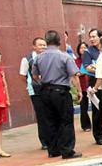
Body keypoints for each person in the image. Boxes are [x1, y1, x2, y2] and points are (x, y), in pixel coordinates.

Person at [32, 30, 83, 159]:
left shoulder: (39, 57)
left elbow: (35, 75)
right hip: (60, 91)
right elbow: (74, 75)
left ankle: (53, 150)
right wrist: (79, 91)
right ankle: (67, 150)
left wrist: (43, 82)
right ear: (59, 41)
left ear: (47, 41)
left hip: (45, 91)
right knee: (65, 120)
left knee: (50, 121)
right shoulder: (64, 56)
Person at [19, 37, 50, 149]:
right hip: (36, 92)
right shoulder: (27, 59)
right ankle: (45, 141)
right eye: (40, 45)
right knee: (41, 116)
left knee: (50, 114)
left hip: (49, 89)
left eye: (44, 45)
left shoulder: (49, 57)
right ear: (34, 46)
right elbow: (23, 75)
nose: (43, 47)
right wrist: (31, 83)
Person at [83, 28, 102, 145]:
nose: (91, 39)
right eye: (90, 37)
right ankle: (98, 136)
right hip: (94, 83)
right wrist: (100, 69)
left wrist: (97, 66)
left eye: (94, 36)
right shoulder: (88, 52)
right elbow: (87, 67)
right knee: (97, 110)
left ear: (101, 37)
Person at [74, 42, 92, 132]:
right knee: (83, 107)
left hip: (91, 86)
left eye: (85, 47)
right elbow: (76, 73)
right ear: (78, 50)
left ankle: (99, 123)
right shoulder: (76, 61)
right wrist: (83, 71)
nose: (83, 49)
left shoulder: (91, 59)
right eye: (81, 48)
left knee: (97, 106)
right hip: (82, 86)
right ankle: (86, 125)